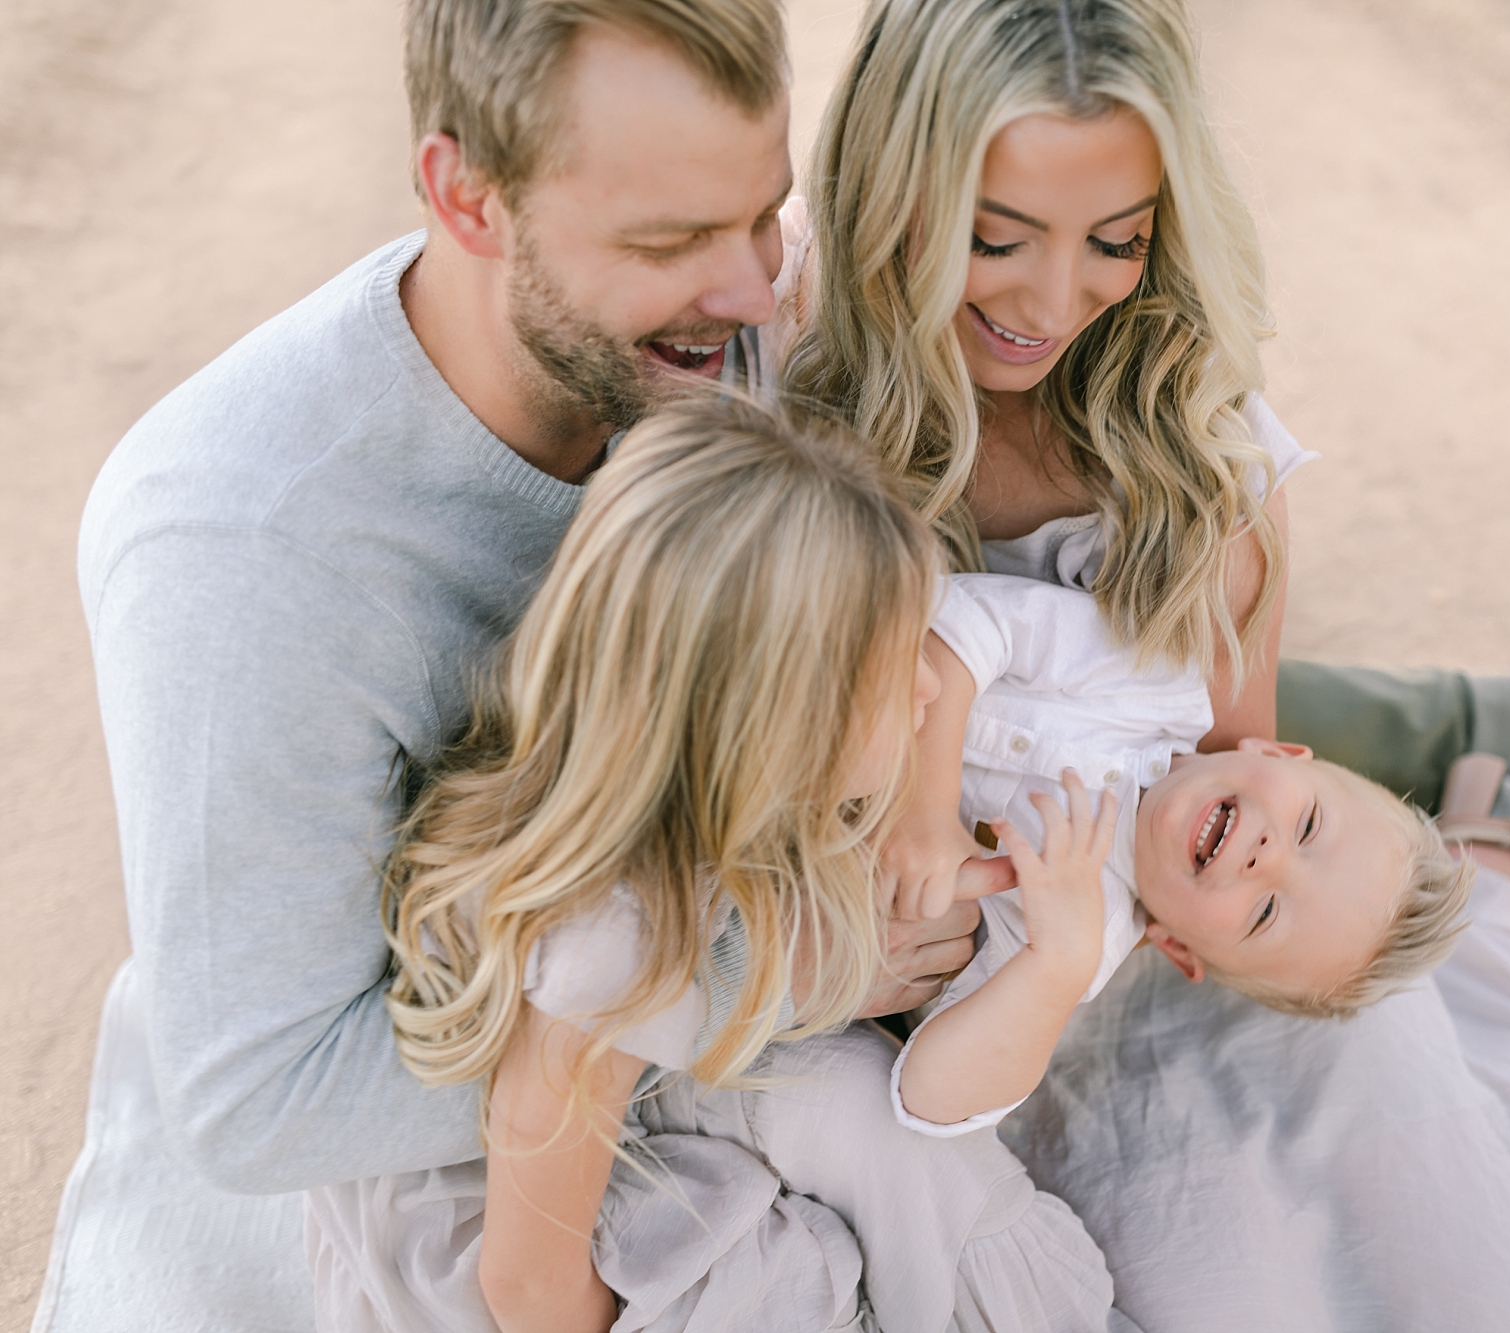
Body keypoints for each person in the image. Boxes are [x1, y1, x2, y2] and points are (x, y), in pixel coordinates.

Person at [77, 0, 986, 1208]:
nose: (758, 292)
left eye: (764, 212)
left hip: (768, 1152)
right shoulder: (242, 544)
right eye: (671, 242)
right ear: (466, 198)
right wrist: (773, 972)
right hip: (410, 1242)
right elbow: (265, 1105)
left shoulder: (727, 322)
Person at [779, 0, 1510, 921]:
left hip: (1070, 909)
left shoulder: (1187, 449)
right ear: (888, 175)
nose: (1051, 306)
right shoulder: (769, 334)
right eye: (993, 239)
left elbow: (1233, 809)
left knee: (1324, 904)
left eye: (1119, 240)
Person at [306, 398, 1121, 1333]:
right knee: (796, 1265)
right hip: (525, 1261)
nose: (935, 683)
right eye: (900, 661)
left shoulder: (699, 812)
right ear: (777, 713)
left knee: (876, 1133)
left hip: (636, 1123)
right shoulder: (606, 944)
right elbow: (529, 1288)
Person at [889, 571, 1478, 1135]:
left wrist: (1053, 970)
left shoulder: (1078, 939)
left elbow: (929, 1098)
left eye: (1266, 912)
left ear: (1174, 944)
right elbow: (958, 616)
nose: (1267, 859)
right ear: (1274, 753)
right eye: (1308, 824)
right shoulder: (1154, 677)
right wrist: (924, 812)